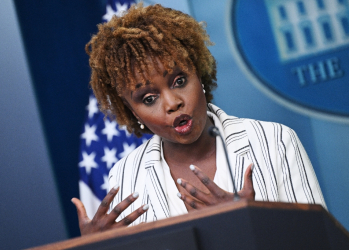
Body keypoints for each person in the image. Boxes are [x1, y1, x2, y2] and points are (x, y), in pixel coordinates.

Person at [71, 3, 326, 235]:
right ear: (131, 111)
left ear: (200, 74)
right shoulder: (125, 176)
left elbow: (321, 240)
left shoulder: (274, 141)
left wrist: (252, 221)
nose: (172, 103)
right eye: (149, 98)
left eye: (179, 81)